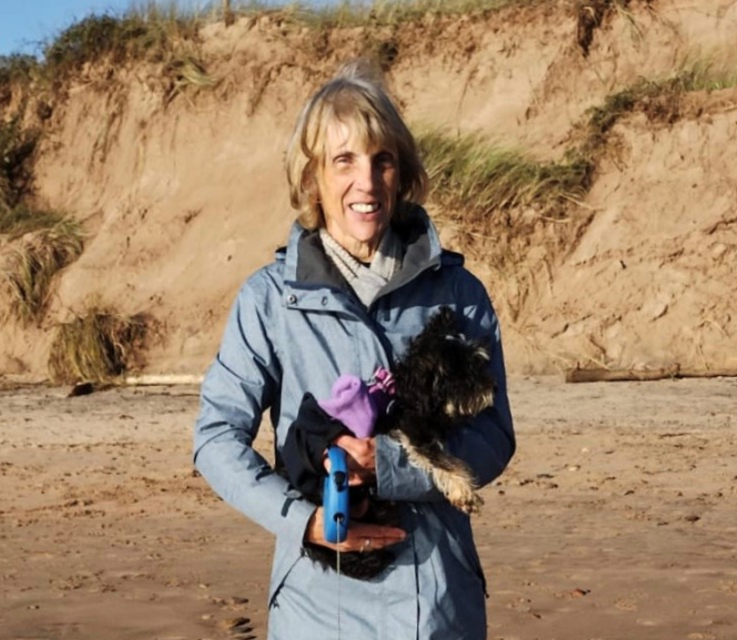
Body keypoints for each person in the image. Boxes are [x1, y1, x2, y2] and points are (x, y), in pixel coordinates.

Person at [192, 59, 516, 639]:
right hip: (318, 608)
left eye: (381, 160)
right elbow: (216, 438)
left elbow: (493, 433)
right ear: (312, 177)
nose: (365, 183)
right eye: (343, 161)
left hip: (438, 602)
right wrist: (305, 521)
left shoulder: (458, 293)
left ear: (402, 173)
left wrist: (394, 465)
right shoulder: (270, 301)